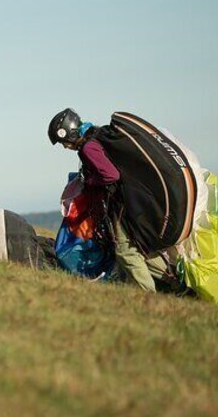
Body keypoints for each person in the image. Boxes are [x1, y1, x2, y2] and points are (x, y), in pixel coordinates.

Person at [48, 108, 177, 293]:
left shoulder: (88, 148)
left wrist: (89, 181)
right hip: (136, 202)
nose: (65, 147)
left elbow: (110, 175)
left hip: (122, 206)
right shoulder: (100, 135)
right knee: (140, 248)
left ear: (69, 132)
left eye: (64, 142)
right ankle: (177, 284)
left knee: (125, 251)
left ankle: (148, 297)